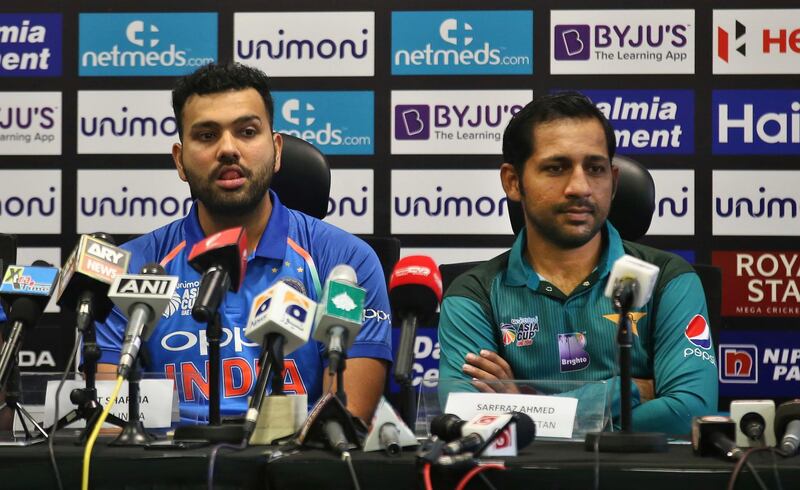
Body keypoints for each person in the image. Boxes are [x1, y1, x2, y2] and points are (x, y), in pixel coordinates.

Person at [95, 63, 392, 423]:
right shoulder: (131, 267)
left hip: (293, 469)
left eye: (247, 131)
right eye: (206, 136)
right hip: (163, 468)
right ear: (180, 161)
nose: (228, 149)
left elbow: (344, 419)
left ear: (277, 150)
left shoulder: (345, 262)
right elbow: (108, 419)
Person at [437, 92, 717, 434]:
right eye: (556, 168)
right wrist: (626, 391)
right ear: (513, 181)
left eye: (595, 169)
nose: (580, 187)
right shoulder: (473, 293)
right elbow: (470, 419)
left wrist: (524, 408)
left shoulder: (670, 280)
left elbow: (688, 411)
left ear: (613, 181)